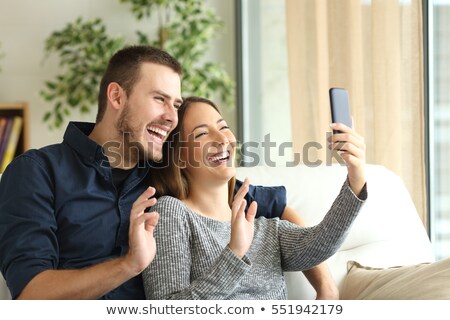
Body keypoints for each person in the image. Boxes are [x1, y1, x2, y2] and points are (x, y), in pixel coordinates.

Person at [0, 45, 336, 299]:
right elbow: (31, 293)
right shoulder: (36, 172)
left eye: (175, 105)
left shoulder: (168, 172)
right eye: (160, 99)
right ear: (116, 96)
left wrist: (327, 290)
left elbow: (274, 207)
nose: (171, 117)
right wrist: (129, 264)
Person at [142, 96, 367, 300]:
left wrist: (355, 179)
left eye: (224, 127)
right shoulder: (170, 212)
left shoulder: (263, 228)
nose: (222, 139)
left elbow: (319, 245)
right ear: (179, 157)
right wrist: (235, 252)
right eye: (202, 133)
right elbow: (167, 309)